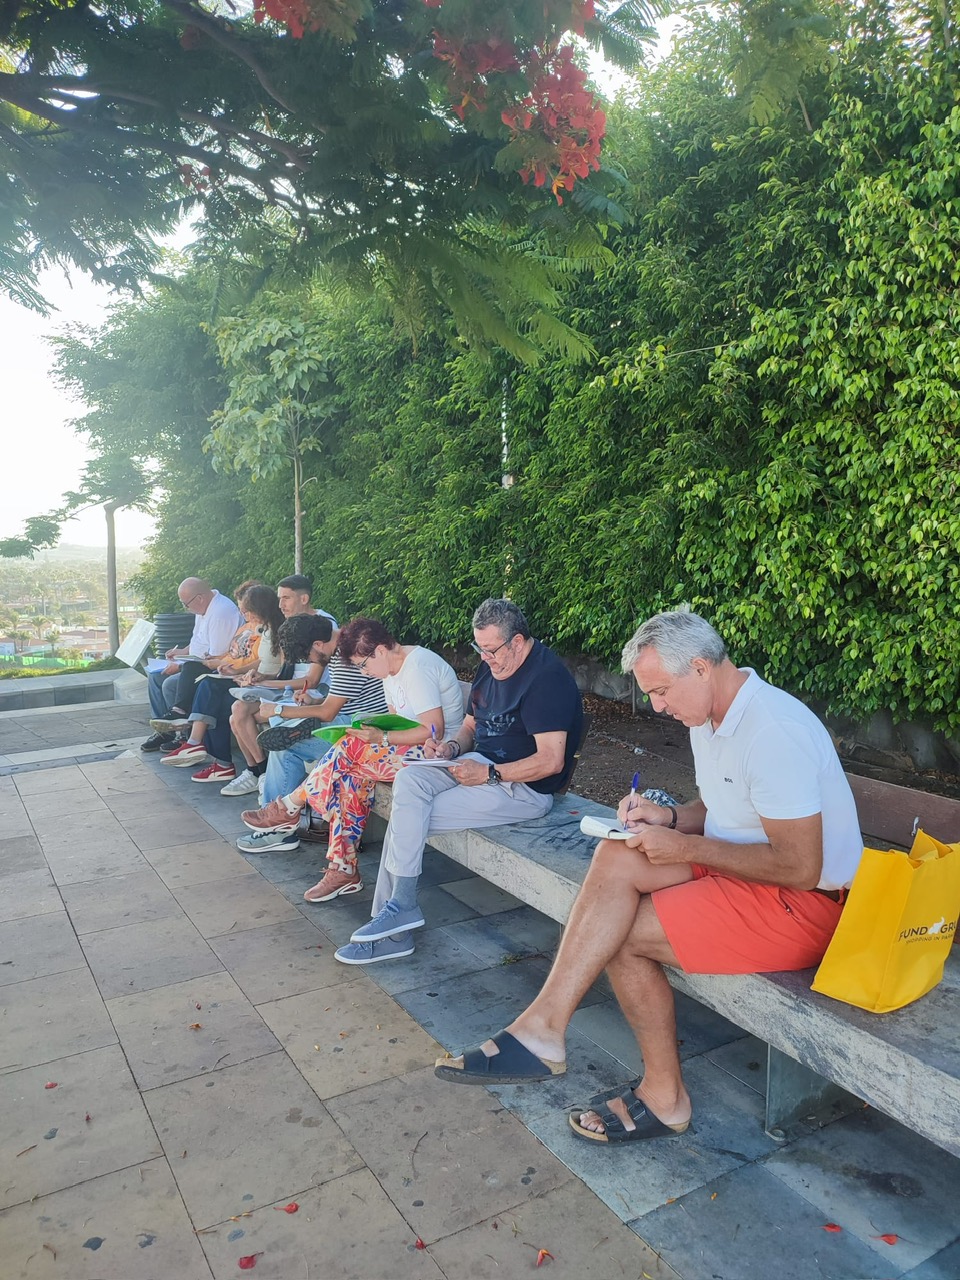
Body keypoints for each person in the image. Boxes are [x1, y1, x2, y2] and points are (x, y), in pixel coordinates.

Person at [434, 609, 863, 1150]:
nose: (658, 707)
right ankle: (542, 1028)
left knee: (623, 936)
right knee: (618, 857)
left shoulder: (773, 730)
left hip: (808, 903)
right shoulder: (713, 715)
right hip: (746, 865)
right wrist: (671, 817)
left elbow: (801, 866)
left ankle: (665, 1097)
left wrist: (682, 846)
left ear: (701, 669)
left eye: (661, 691)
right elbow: (726, 807)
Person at [332, 598, 584, 967]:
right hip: (480, 764)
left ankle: (394, 927)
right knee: (410, 783)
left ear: (516, 642)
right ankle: (399, 909)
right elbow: (469, 727)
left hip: (525, 790)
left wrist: (490, 774)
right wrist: (449, 746)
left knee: (408, 817)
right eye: (478, 649)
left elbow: (550, 761)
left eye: (491, 650)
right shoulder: (491, 667)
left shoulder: (546, 678)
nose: (485, 658)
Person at [239, 617, 465, 903]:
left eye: (363, 665)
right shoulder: (390, 671)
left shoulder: (417, 668)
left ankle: (291, 805)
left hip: (437, 755)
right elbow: (396, 720)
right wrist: (377, 731)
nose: (365, 673)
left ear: (380, 650)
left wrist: (379, 738)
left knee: (349, 747)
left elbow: (433, 730)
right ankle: (342, 869)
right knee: (348, 777)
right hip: (407, 751)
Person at [235, 614, 388, 855]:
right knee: (286, 743)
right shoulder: (345, 647)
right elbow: (338, 703)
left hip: (366, 734)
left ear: (318, 644)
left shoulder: (347, 657)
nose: (309, 661)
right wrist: (314, 699)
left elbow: (328, 713)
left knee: (286, 746)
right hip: (353, 722)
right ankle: (278, 822)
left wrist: (279, 710)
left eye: (307, 656)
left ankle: (276, 827)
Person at [154, 584, 285, 787]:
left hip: (262, 686)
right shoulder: (254, 628)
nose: (242, 614)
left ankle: (240, 765)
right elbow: (240, 656)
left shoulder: (272, 631)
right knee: (208, 693)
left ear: (259, 608)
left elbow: (272, 666)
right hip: (245, 679)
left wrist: (237, 670)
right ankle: (227, 761)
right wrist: (225, 664)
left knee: (211, 693)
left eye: (246, 610)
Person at [227, 574, 337, 783]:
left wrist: (265, 682)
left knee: (239, 714)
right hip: (291, 691)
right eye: (279, 598)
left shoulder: (321, 625)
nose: (280, 604)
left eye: (285, 598)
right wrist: (261, 677)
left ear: (303, 599)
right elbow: (287, 669)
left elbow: (311, 681)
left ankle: (261, 773)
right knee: (237, 713)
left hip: (310, 695)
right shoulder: (293, 623)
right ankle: (258, 772)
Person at [141, 578, 242, 752]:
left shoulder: (220, 614)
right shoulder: (202, 609)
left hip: (210, 667)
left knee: (169, 683)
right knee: (155, 676)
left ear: (200, 598)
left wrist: (180, 666)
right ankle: (164, 731)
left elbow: (215, 657)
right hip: (193, 662)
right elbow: (198, 641)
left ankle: (182, 733)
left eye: (186, 604)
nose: (186, 608)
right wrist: (181, 652)